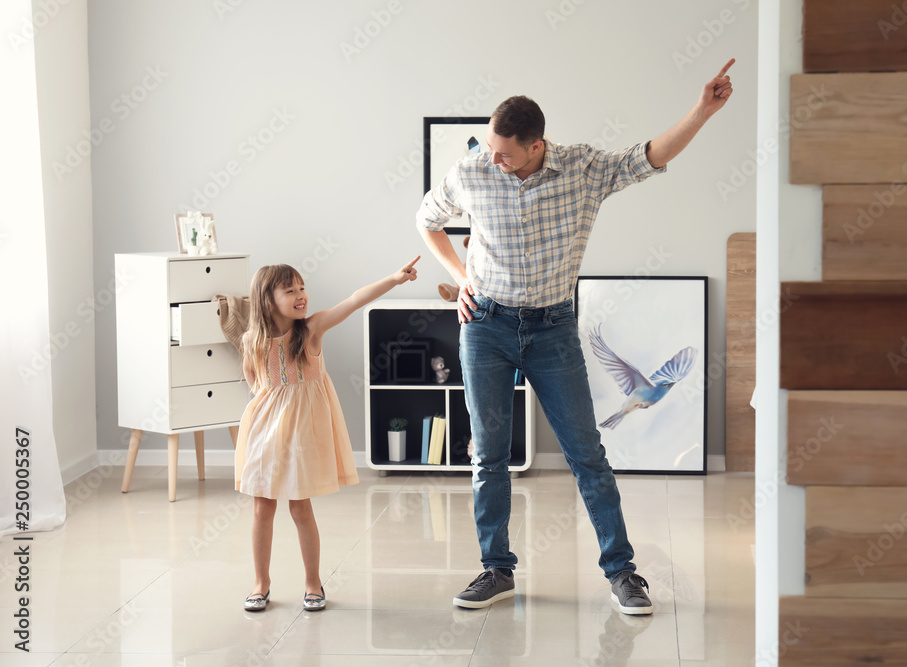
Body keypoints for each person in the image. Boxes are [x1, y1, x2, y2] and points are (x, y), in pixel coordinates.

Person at [416, 60, 735, 615]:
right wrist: (461, 277)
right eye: (490, 147)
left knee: (587, 454)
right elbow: (428, 219)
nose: (493, 158)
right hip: (485, 326)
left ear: (537, 145)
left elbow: (650, 155)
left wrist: (702, 111)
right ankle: (497, 570)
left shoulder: (584, 169)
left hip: (551, 328)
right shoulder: (472, 172)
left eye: (505, 152)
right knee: (489, 455)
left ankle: (623, 572)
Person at [235, 257, 419, 611]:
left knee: (301, 507)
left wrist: (394, 279)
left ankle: (312, 582)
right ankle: (260, 583)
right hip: (264, 433)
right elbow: (256, 386)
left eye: (302, 287)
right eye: (290, 291)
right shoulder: (251, 341)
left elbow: (353, 300)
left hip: (301, 436)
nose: (301, 295)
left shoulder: (312, 329)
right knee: (262, 508)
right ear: (266, 300)